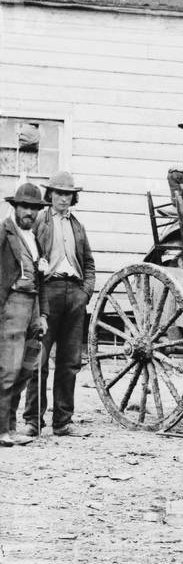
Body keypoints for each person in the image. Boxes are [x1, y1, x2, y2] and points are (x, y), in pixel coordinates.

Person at [22, 172, 95, 437]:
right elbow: (27, 257)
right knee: (38, 360)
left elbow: (88, 263)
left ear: (73, 197)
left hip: (74, 294)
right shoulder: (40, 220)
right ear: (50, 195)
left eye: (68, 194)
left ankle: (63, 422)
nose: (63, 198)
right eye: (58, 193)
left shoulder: (77, 225)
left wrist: (85, 292)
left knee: (69, 362)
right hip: (47, 294)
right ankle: (33, 421)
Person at [0, 183, 49, 447]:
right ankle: (1, 430)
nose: (29, 212)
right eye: (25, 207)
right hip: (11, 305)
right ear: (15, 207)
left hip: (33, 306)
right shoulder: (4, 232)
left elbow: (41, 281)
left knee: (25, 368)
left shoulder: (34, 238)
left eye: (34, 208)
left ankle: (10, 427)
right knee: (7, 369)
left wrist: (42, 315)